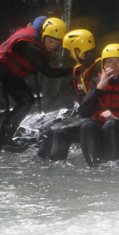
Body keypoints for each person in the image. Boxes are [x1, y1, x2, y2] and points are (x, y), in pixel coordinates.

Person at [0, 16, 72, 153]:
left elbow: (43, 19)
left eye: (57, 43)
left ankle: (6, 138)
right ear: (43, 35)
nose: (53, 45)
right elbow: (49, 73)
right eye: (50, 41)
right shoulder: (31, 47)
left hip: (11, 75)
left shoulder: (41, 33)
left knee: (27, 100)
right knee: (1, 110)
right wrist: (74, 71)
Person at [37, 29, 100, 161]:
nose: (70, 55)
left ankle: (55, 169)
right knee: (50, 131)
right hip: (85, 114)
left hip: (97, 116)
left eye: (71, 51)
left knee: (60, 132)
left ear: (79, 50)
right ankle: (39, 164)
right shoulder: (80, 69)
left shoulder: (99, 68)